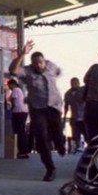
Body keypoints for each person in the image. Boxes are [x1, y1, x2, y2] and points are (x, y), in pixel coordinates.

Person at [9, 40, 65, 182]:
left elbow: (59, 72)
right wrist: (22, 53)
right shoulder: (27, 71)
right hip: (37, 108)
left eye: (40, 63)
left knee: (57, 132)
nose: (38, 66)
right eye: (35, 63)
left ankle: (60, 144)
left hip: (54, 107)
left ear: (44, 61)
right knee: (41, 136)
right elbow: (13, 70)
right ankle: (50, 168)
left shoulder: (51, 66)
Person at [5, 78, 30, 159]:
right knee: (21, 131)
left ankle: (22, 151)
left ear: (12, 84)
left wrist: (10, 106)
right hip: (22, 112)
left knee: (19, 132)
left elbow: (13, 100)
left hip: (18, 112)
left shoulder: (15, 89)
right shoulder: (19, 90)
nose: (9, 88)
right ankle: (23, 151)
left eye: (9, 86)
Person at [63, 77, 87, 154]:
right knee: (76, 135)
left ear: (79, 83)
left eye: (76, 82)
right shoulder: (68, 94)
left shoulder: (83, 91)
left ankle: (89, 148)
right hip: (74, 117)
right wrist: (65, 118)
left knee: (87, 134)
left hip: (84, 117)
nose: (74, 84)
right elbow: (66, 106)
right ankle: (78, 147)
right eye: (73, 83)